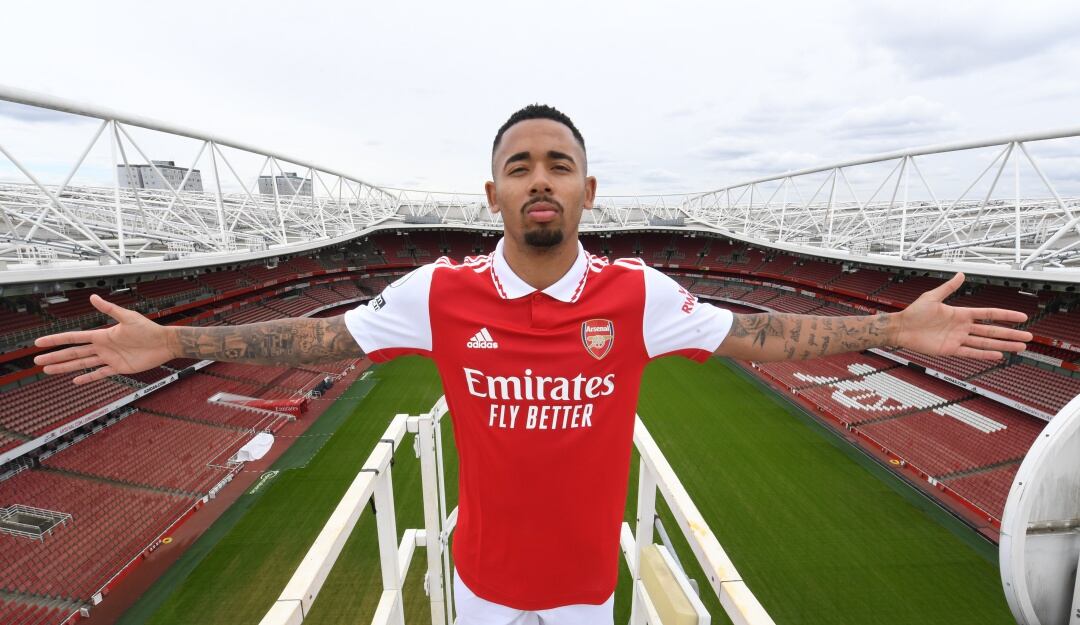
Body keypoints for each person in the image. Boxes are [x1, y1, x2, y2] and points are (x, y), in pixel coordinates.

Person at [33, 104, 1033, 625]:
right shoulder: (438, 291)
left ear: (589, 189)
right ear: (493, 194)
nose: (540, 179)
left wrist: (893, 329)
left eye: (559, 164)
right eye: (521, 166)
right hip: (480, 584)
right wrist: (178, 340)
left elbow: (759, 334)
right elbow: (320, 337)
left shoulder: (639, 295)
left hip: (589, 587)